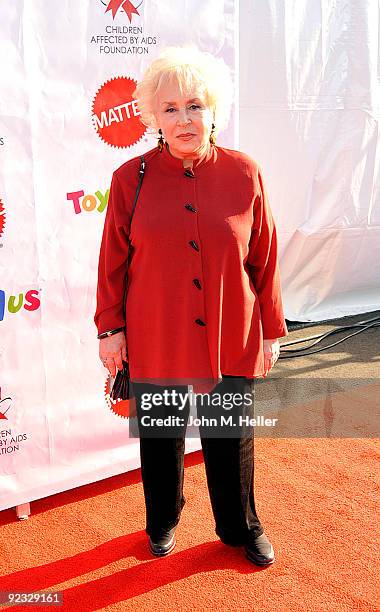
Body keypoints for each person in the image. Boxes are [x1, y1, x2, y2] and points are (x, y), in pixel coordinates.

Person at [94, 45, 289, 566]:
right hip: (156, 332)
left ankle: (240, 526)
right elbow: (111, 264)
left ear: (214, 112)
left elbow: (264, 258)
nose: (184, 119)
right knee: (161, 438)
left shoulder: (244, 173)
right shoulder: (128, 179)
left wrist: (271, 330)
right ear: (153, 117)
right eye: (172, 108)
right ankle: (161, 521)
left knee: (231, 438)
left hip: (231, 331)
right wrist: (109, 330)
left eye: (195, 106)